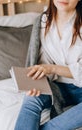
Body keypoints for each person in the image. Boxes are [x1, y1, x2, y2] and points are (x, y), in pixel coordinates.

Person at [14, 0, 82, 130]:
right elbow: (44, 62)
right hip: (57, 87)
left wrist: (52, 68)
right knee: (31, 99)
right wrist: (36, 83)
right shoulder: (43, 21)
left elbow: (50, 68)